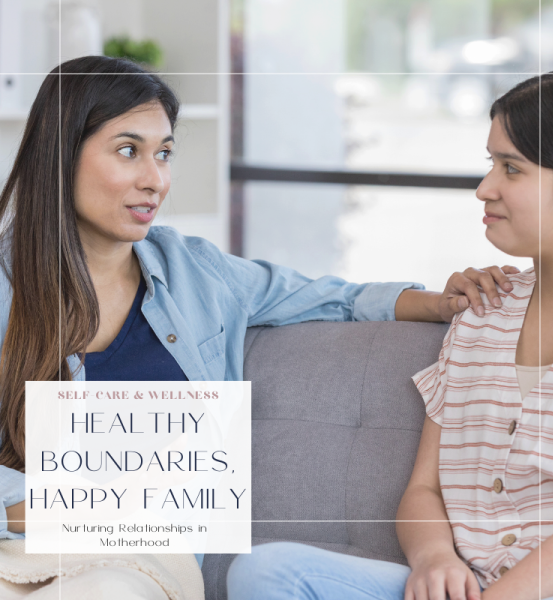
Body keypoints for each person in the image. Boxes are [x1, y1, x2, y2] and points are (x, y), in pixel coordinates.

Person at [0, 56, 515, 597]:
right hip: (19, 542)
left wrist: (441, 303)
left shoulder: (194, 270)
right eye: (129, 151)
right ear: (61, 155)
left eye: (165, 154)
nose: (156, 180)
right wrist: (34, 505)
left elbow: (332, 298)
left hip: (137, 560)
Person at [226, 68, 553, 600]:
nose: (484, 188)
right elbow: (423, 488)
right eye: (489, 163)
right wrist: (433, 559)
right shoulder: (483, 309)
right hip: (465, 587)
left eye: (511, 169)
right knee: (266, 573)